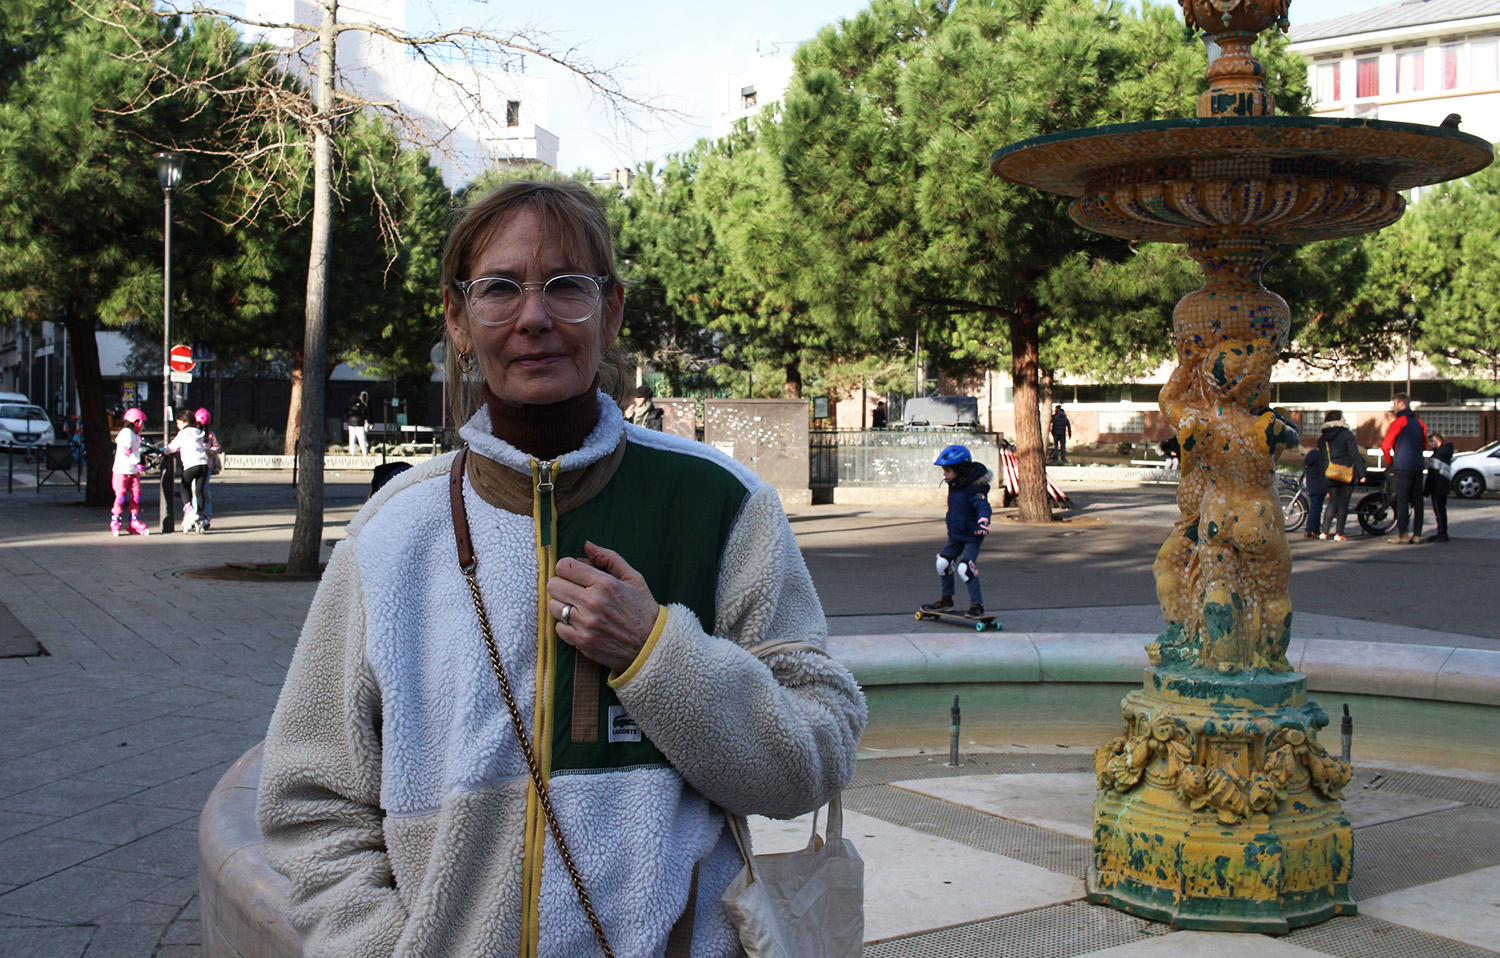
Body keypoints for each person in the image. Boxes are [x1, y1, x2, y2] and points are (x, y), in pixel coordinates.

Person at [257, 178, 866, 958]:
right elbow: (312, 802)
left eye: (566, 287)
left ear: (610, 311)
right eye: (501, 288)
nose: (534, 317)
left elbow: (818, 752)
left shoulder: (721, 503)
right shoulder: (390, 535)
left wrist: (658, 654)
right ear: (459, 317)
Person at [921, 444, 992, 618]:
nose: (944, 474)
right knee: (942, 564)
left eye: (947, 470)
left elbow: (984, 507)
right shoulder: (956, 483)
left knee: (964, 569)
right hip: (955, 535)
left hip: (972, 536)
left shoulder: (974, 488)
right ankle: (946, 601)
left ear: (961, 470)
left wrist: (983, 523)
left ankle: (977, 605)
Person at [1380, 393, 1427, 543]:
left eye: (1394, 404)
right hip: (1418, 465)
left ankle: (1403, 534)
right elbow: (1423, 445)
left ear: (1401, 404)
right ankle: (1418, 534)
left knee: (1402, 500)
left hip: (1403, 466)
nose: (1393, 408)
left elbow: (1386, 445)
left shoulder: (1399, 422)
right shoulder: (1420, 423)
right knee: (1418, 501)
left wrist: (1390, 460)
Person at [1318, 410, 1365, 542]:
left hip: (1330, 472)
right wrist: (1362, 473)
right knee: (1343, 503)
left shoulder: (1323, 438)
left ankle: (1324, 532)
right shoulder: (1347, 434)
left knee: (1332, 502)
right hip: (1346, 473)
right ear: (1339, 419)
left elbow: (1322, 459)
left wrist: (1323, 480)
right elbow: (1354, 454)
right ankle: (1339, 534)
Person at [166, 409, 211, 533]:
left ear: (184, 421)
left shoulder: (184, 434)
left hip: (191, 464)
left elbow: (172, 447)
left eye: (178, 423)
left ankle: (189, 509)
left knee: (184, 486)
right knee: (200, 490)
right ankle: (201, 516)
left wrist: (164, 451)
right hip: (203, 465)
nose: (177, 425)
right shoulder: (199, 432)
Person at [110, 408, 150, 537]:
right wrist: (137, 463)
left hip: (133, 472)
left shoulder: (136, 436)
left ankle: (134, 520)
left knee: (136, 496)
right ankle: (115, 519)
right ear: (136, 422)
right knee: (120, 497)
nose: (143, 426)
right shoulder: (126, 433)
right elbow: (126, 450)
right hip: (121, 471)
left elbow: (138, 450)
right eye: (142, 423)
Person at [194, 408, 222, 530]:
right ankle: (196, 513)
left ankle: (206, 514)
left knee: (203, 489)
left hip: (207, 466)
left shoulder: (210, 435)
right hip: (196, 464)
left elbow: (217, 447)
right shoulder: (194, 433)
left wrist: (210, 451)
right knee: (196, 490)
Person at [1425, 430, 1454, 543]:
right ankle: (1442, 532)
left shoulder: (1438, 455)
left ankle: (1442, 533)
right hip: (1444, 484)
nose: (1429, 444)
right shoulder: (1445, 453)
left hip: (1438, 486)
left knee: (1439, 510)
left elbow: (1433, 475)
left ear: (1438, 441)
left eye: (1431, 441)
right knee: (1442, 509)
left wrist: (1427, 490)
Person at [1301, 435, 1328, 539]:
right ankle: (1312, 530)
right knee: (1316, 509)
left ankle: (1311, 529)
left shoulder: (1312, 454)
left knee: (1314, 507)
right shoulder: (1323, 457)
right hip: (1320, 486)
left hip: (1311, 485)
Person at [346, 390, 370, 455]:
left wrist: (348, 421)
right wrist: (364, 420)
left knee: (352, 439)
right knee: (361, 438)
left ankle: (353, 452)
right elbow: (364, 414)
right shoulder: (361, 404)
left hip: (351, 423)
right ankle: (364, 452)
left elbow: (347, 413)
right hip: (359, 423)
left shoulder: (350, 404)